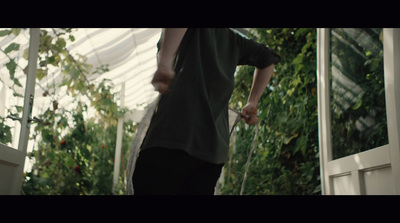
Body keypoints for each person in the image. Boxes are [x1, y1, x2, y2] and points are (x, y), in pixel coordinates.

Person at [132, 28, 281, 195]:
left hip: (172, 137)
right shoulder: (234, 41)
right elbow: (267, 59)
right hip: (211, 152)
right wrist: (252, 102)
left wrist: (165, 63)